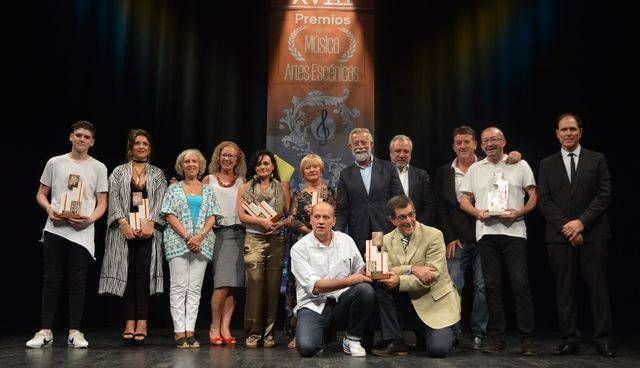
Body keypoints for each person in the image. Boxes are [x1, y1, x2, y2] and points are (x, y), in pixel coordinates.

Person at [538, 113, 615, 357]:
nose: (568, 133)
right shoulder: (546, 163)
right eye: (564, 129)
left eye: (573, 129)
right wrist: (568, 227)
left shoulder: (597, 159)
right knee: (564, 290)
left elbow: (604, 195)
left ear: (580, 132)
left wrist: (581, 223)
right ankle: (570, 338)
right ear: (557, 133)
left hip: (594, 234)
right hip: (559, 237)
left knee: (598, 289)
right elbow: (545, 200)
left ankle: (603, 339)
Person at [27, 120, 108, 348]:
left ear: (92, 142)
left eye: (86, 137)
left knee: (78, 281)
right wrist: (49, 209)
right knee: (51, 279)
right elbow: (41, 193)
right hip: (55, 228)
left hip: (82, 231)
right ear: (71, 137)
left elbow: (102, 202)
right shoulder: (55, 162)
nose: (82, 139)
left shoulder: (98, 167)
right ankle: (45, 331)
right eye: (78, 135)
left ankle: (75, 331)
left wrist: (89, 220)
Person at [459, 126, 537, 355]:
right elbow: (464, 199)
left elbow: (533, 194)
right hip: (487, 233)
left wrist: (520, 211)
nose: (490, 143)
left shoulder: (518, 164)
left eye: (494, 139)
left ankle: (527, 339)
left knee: (520, 283)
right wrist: (478, 213)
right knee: (491, 286)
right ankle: (497, 338)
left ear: (504, 141)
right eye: (485, 141)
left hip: (514, 232)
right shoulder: (475, 168)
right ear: (481, 145)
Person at [98, 129, 168, 346]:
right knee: (127, 276)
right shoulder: (119, 172)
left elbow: (162, 200)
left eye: (145, 143)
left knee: (143, 276)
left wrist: (151, 223)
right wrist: (123, 223)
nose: (141, 146)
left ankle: (143, 322)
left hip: (148, 232)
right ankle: (129, 321)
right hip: (124, 232)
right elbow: (115, 200)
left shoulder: (157, 174)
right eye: (137, 143)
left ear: (149, 148)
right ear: (131, 147)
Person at [373, 195, 460, 357]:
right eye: (402, 217)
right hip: (407, 301)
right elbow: (384, 271)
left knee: (438, 350)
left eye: (411, 214)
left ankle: (449, 331)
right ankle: (395, 341)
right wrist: (413, 268)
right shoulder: (384, 240)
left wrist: (399, 277)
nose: (409, 220)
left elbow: (430, 276)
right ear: (392, 220)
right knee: (380, 286)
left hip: (433, 301)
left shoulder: (434, 235)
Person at [291, 202, 375, 357]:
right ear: (311, 220)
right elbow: (316, 287)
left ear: (334, 221)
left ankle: (352, 339)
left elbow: (360, 271)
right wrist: (350, 280)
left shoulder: (346, 241)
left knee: (365, 290)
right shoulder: (299, 248)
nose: (321, 221)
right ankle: (322, 336)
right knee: (307, 348)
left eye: (326, 217)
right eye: (317, 217)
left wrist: (375, 264)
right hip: (313, 304)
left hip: (341, 302)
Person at [434, 126, 488, 349]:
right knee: (454, 285)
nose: (463, 146)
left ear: (476, 144)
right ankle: (454, 332)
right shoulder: (444, 172)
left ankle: (479, 333)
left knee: (483, 286)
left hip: (486, 238)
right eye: (459, 143)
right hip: (457, 241)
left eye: (467, 142)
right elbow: (441, 208)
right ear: (453, 146)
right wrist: (450, 237)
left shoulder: (488, 167)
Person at [161, 149, 220, 348]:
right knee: (178, 287)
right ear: (181, 166)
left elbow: (213, 215)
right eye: (187, 161)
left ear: (200, 165)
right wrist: (188, 237)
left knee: (194, 289)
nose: (191, 164)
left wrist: (200, 236)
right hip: (178, 241)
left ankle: (190, 331)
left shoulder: (208, 190)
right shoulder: (174, 189)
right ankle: (179, 332)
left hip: (202, 243)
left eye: (194, 161)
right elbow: (169, 214)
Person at [236, 150, 289, 348]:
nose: (263, 167)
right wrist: (260, 221)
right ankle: (253, 333)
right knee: (255, 286)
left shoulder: (282, 186)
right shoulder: (245, 188)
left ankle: (268, 334)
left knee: (273, 289)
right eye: (259, 164)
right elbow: (241, 215)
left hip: (276, 240)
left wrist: (278, 224)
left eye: (266, 163)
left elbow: (287, 213)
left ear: (273, 166)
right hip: (254, 238)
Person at [284, 153, 337, 349]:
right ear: (303, 172)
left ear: (321, 169)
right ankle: (296, 332)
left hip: (326, 245)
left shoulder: (331, 192)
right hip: (302, 243)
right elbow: (292, 218)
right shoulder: (298, 194)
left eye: (315, 167)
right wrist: (310, 230)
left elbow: (336, 217)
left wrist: (320, 229)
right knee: (298, 286)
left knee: (325, 284)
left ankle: (324, 334)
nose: (312, 170)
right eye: (308, 167)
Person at [202, 141, 247, 346]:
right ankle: (214, 325)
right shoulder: (208, 180)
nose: (228, 158)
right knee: (220, 285)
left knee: (233, 286)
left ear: (238, 160)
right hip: (217, 234)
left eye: (232, 156)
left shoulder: (242, 181)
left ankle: (225, 327)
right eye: (224, 155)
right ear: (218, 157)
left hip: (239, 235)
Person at [335, 127, 404, 252]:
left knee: (385, 269)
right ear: (350, 147)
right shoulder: (345, 175)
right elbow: (341, 209)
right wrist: (336, 235)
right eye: (356, 143)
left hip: (386, 232)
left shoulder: (388, 168)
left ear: (371, 144)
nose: (360, 146)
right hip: (358, 236)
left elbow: (399, 200)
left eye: (364, 142)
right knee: (362, 271)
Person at [389, 135, 436, 226]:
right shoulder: (382, 174)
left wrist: (417, 226)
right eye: (398, 151)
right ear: (391, 153)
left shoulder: (421, 175)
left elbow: (429, 205)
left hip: (416, 229)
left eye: (406, 151)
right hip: (390, 230)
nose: (402, 155)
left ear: (410, 154)